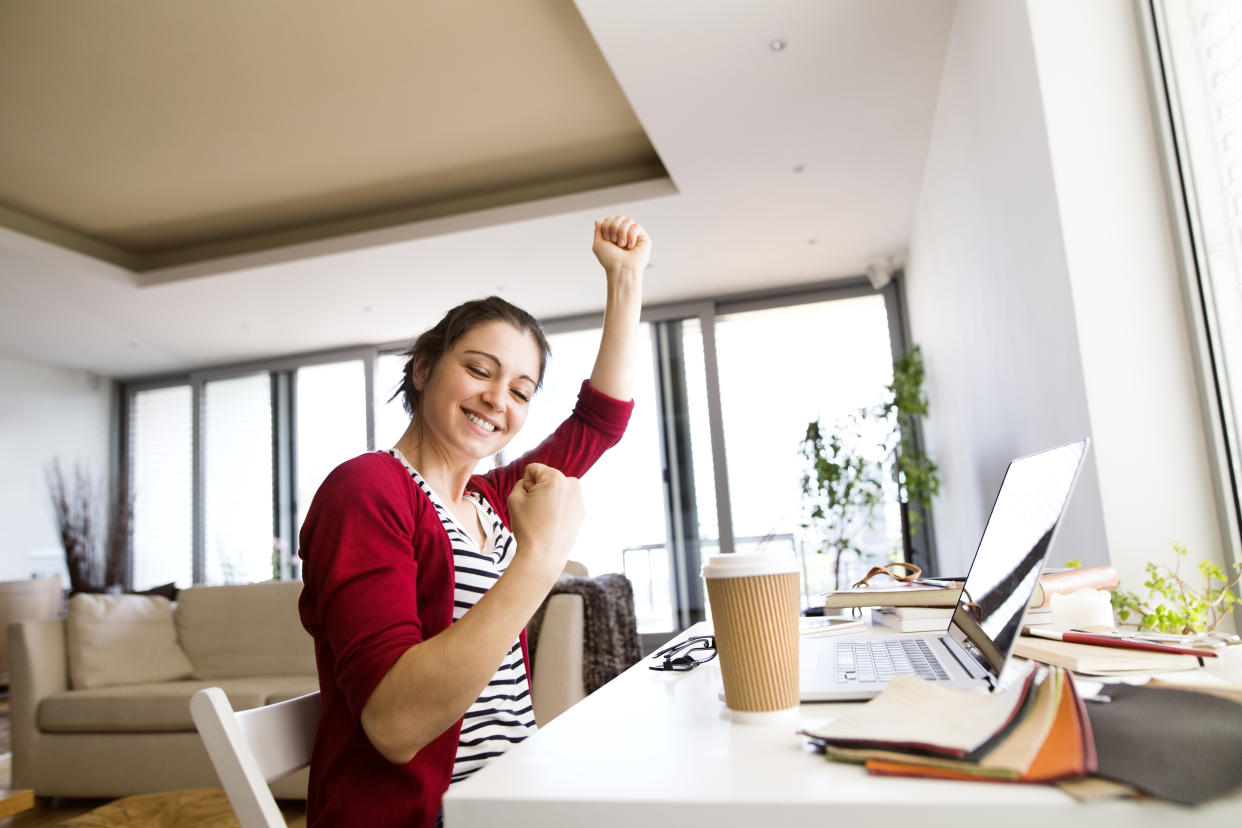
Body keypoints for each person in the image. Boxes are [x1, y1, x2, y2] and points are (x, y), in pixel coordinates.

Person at [297, 216, 651, 827]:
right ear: (423, 368)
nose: (498, 400)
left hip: (513, 801)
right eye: (481, 371)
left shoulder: (494, 497)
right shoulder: (367, 489)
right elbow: (393, 724)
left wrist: (625, 279)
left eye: (522, 389)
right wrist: (538, 562)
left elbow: (599, 423)